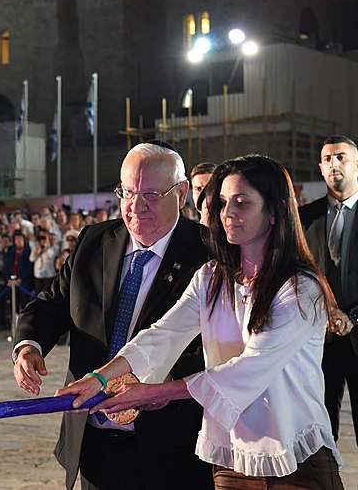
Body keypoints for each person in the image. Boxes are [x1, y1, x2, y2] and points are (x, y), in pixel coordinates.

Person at [64, 155, 344, 489]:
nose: (228, 214)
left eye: (242, 203)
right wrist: (99, 377)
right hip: (231, 455)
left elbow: (248, 368)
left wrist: (156, 391)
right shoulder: (211, 277)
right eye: (222, 202)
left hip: (294, 456)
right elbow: (163, 334)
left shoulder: (299, 288)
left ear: (273, 212)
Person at [13, 142, 211, 490]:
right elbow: (53, 303)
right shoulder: (94, 240)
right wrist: (29, 345)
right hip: (93, 442)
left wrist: (157, 385)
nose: (136, 206)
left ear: (181, 194)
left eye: (151, 193)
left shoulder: (209, 254)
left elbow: (215, 348)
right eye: (128, 192)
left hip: (173, 447)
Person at [299, 135, 358, 446]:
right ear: (320, 168)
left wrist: (352, 317)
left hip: (357, 332)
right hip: (319, 341)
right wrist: (325, 313)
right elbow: (300, 273)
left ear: (357, 165)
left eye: (341, 157)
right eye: (326, 159)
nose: (333, 164)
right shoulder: (305, 218)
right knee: (322, 432)